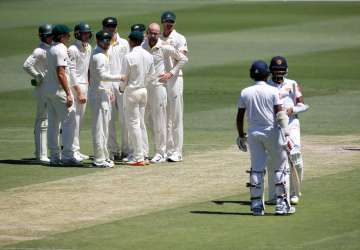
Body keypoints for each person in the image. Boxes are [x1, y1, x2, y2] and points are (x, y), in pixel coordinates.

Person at [236, 60, 295, 216]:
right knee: (281, 167)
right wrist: (287, 133)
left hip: (253, 134)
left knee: (256, 168)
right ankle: (282, 205)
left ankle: (256, 206)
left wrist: (241, 135)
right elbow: (280, 114)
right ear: (267, 74)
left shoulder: (245, 92)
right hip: (272, 132)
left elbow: (240, 116)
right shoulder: (272, 91)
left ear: (251, 74)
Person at [142, 23, 188, 163]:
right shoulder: (143, 46)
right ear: (147, 33)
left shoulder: (164, 46)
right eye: (151, 33)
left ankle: (165, 152)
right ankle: (160, 150)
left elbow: (184, 58)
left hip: (160, 87)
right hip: (146, 87)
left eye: (156, 33)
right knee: (148, 119)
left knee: (163, 119)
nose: (154, 35)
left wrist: (171, 73)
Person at [267, 56, 309, 205]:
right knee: (273, 160)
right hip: (273, 126)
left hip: (291, 125)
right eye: (276, 70)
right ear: (271, 71)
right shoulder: (266, 85)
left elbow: (303, 105)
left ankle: (294, 193)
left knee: (295, 157)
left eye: (281, 70)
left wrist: (292, 110)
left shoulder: (292, 84)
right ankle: (273, 195)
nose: (279, 73)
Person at [42, 24, 80, 166]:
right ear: (62, 36)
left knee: (53, 124)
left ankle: (54, 157)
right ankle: (68, 156)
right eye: (67, 35)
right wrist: (68, 93)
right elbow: (61, 73)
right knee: (70, 122)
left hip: (49, 91)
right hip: (59, 92)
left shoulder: (51, 49)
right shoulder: (61, 50)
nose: (69, 37)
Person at [88, 31, 126, 168]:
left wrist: (109, 90)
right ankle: (99, 159)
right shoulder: (98, 56)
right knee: (100, 128)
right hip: (98, 95)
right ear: (97, 40)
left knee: (104, 127)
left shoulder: (103, 53)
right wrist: (119, 77)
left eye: (108, 41)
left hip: (103, 93)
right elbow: (102, 76)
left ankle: (103, 156)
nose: (106, 43)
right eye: (103, 41)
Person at [120, 31, 155, 166]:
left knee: (134, 124)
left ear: (131, 41)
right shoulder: (148, 55)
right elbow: (152, 75)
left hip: (132, 92)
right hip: (143, 91)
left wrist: (122, 89)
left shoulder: (128, 56)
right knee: (140, 123)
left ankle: (138, 157)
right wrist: (143, 83)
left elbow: (124, 77)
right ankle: (144, 154)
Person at [160, 11, 188, 162]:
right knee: (163, 115)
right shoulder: (157, 37)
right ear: (163, 22)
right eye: (166, 22)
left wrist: (171, 73)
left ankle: (177, 151)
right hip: (160, 80)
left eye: (171, 22)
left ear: (174, 23)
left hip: (175, 78)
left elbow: (182, 58)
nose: (168, 24)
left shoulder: (179, 38)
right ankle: (166, 150)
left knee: (176, 116)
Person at [23, 24, 53, 164]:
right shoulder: (39, 50)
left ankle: (44, 152)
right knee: (43, 120)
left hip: (52, 87)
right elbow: (27, 65)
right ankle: (41, 155)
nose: (50, 37)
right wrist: (38, 76)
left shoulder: (52, 47)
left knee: (51, 120)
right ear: (43, 36)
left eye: (51, 35)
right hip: (43, 89)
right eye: (48, 35)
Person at [102, 17, 130, 161]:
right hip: (107, 85)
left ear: (116, 27)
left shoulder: (124, 43)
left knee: (125, 118)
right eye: (108, 26)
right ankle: (112, 150)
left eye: (113, 26)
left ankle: (126, 149)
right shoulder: (101, 44)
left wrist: (126, 84)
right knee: (109, 119)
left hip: (121, 84)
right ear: (103, 27)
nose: (111, 28)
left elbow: (129, 64)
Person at [67, 22, 92, 162]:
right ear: (77, 34)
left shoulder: (88, 47)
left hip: (85, 86)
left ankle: (76, 149)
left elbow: (88, 69)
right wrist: (79, 91)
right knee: (73, 120)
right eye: (84, 33)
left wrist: (88, 85)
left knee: (80, 121)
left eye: (88, 33)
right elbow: (71, 72)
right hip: (75, 87)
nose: (86, 35)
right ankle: (71, 151)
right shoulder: (72, 49)